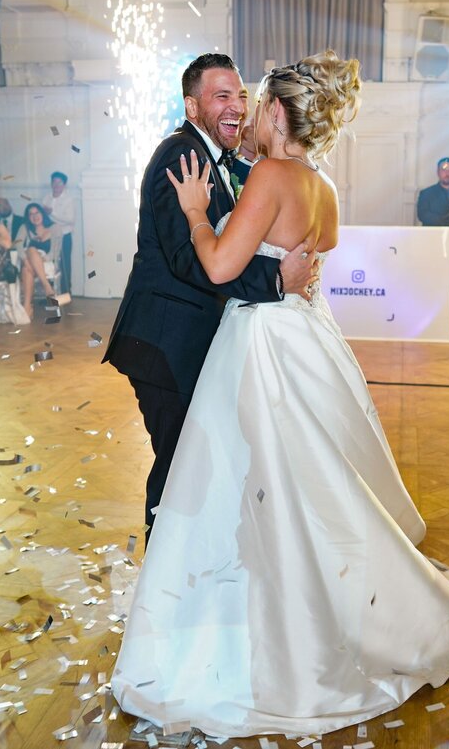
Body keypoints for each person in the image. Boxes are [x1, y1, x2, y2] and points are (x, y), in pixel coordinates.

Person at [111, 51, 449, 739]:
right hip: (304, 340)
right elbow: (310, 255)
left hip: (262, 345)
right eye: (227, 97)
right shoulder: (324, 186)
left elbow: (220, 262)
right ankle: (293, 598)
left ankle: (244, 614)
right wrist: (278, 266)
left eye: (254, 101)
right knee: (295, 481)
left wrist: (203, 213)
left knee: (253, 478)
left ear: (279, 112)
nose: (245, 111)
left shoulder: (264, 172)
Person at [102, 53, 315, 537]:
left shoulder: (215, 159)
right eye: (221, 96)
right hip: (165, 342)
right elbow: (192, 260)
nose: (237, 105)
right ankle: (164, 583)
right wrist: (277, 278)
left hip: (187, 341)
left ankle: (185, 576)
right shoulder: (182, 155)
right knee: (179, 468)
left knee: (192, 465)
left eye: (241, 94)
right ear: (192, 107)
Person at [15, 202, 60, 320]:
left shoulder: (55, 228)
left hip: (47, 263)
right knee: (28, 258)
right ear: (28, 217)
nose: (34, 216)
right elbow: (18, 245)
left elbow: (56, 251)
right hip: (29, 263)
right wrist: (25, 259)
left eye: (37, 213)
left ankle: (27, 308)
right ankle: (47, 287)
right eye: (31, 214)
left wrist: (42, 259)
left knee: (30, 252)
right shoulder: (25, 227)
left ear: (42, 213)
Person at [41, 171, 76, 295]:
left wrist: (52, 213)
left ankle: (66, 292)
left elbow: (70, 219)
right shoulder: (46, 198)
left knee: (64, 264)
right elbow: (43, 219)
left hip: (65, 235)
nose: (56, 185)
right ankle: (51, 293)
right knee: (50, 262)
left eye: (59, 182)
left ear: (64, 184)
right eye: (53, 182)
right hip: (49, 236)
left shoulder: (68, 199)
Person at [416, 157, 449, 226]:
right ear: (438, 172)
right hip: (436, 234)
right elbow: (422, 215)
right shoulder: (426, 193)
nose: (447, 173)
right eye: (443, 170)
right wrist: (445, 220)